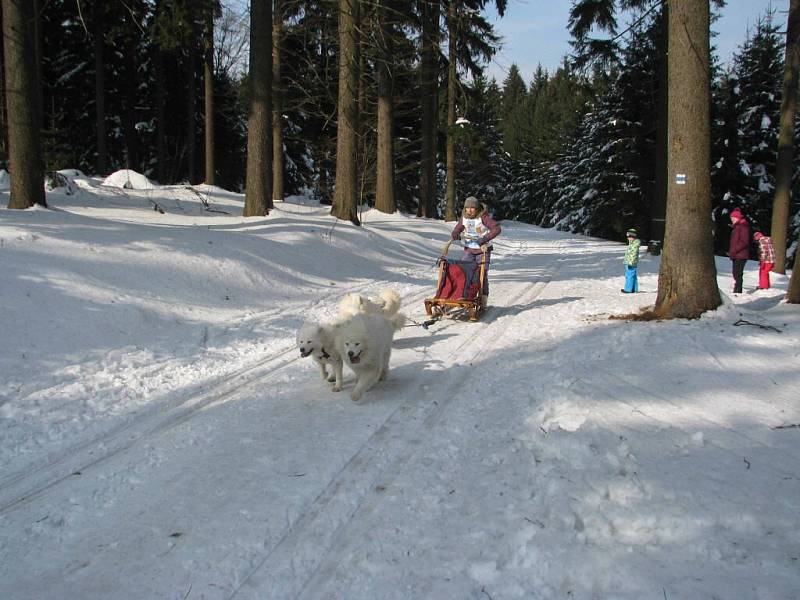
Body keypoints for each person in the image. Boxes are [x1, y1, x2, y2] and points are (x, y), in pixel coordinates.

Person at [450, 196, 501, 305]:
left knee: (482, 274)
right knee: (463, 271)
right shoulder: (464, 217)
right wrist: (455, 234)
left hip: (483, 250)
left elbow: (496, 228)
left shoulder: (483, 217)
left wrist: (485, 239)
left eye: (472, 208)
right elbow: (458, 228)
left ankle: (483, 296)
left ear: (477, 208)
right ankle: (463, 294)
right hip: (469, 249)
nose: (470, 210)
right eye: (467, 208)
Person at [728, 208, 750, 294]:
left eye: (733, 218)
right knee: (735, 273)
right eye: (731, 218)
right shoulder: (736, 228)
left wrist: (735, 250)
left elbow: (744, 242)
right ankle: (737, 289)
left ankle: (738, 290)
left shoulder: (743, 227)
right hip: (736, 254)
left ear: (738, 218)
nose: (732, 219)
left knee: (737, 273)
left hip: (741, 255)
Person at [621, 228, 641, 293]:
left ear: (633, 237)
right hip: (629, 262)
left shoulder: (634, 245)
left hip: (631, 263)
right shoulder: (632, 244)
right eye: (628, 237)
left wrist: (630, 262)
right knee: (633, 275)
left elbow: (633, 254)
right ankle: (634, 288)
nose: (628, 238)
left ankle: (628, 289)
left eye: (630, 237)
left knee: (629, 275)